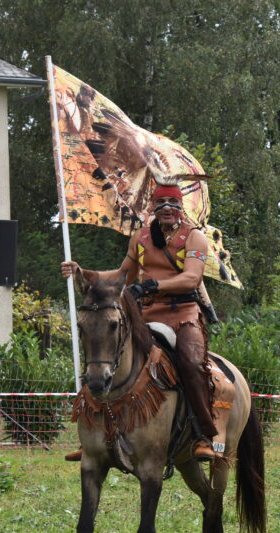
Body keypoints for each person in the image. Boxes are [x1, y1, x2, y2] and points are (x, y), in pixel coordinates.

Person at [62, 182, 224, 460]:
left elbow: (191, 278)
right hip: (146, 314)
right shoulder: (141, 237)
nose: (167, 210)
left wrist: (150, 286)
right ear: (152, 209)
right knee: (105, 353)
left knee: (192, 363)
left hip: (183, 315)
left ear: (180, 209)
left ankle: (203, 435)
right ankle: (92, 434)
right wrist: (83, 272)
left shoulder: (194, 237)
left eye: (172, 204)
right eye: (160, 204)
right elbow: (122, 273)